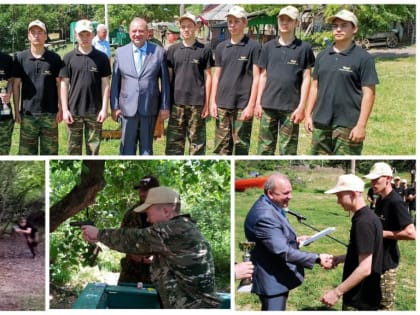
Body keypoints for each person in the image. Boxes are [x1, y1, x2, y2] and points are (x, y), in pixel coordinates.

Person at [81, 186, 221, 308]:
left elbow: (134, 239)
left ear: (166, 211)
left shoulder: (173, 230)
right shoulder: (182, 228)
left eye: (149, 214)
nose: (148, 220)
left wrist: (98, 233)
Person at [244, 173, 333, 310]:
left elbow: (273, 239)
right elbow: (282, 251)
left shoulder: (271, 204)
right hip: (272, 280)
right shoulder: (265, 216)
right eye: (285, 193)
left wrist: (296, 241)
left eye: (290, 192)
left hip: (276, 275)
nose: (290, 196)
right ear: (270, 193)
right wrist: (317, 258)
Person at [304, 9, 379, 155]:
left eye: (344, 25)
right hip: (321, 122)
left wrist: (361, 125)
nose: (338, 29)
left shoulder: (363, 58)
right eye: (335, 25)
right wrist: (308, 115)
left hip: (348, 124)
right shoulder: (322, 55)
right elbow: (314, 87)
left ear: (354, 29)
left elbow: (369, 94)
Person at [255, 6, 315, 155]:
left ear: (296, 23)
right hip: (268, 105)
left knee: (287, 151)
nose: (285, 22)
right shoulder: (268, 47)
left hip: (291, 108)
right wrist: (258, 102)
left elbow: (307, 79)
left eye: (289, 20)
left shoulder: (304, 48)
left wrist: (302, 107)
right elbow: (263, 76)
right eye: (282, 19)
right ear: (277, 21)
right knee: (264, 150)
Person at [321, 174, 383, 310]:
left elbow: (365, 268)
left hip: (360, 299)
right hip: (365, 296)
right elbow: (364, 254)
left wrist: (336, 293)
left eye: (339, 196)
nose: (338, 201)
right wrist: (340, 258)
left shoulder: (363, 222)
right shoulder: (366, 216)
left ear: (353, 194)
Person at [110, 17, 170, 155]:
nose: (137, 34)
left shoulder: (159, 52)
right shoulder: (120, 53)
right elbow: (115, 83)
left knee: (146, 150)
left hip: (149, 107)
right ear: (129, 32)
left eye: (141, 31)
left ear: (148, 32)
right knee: (126, 150)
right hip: (126, 109)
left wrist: (165, 107)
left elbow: (165, 83)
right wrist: (114, 107)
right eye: (134, 31)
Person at [364, 162, 416, 310]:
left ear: (388, 179)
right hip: (376, 260)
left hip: (386, 265)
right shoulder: (380, 199)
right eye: (371, 180)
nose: (372, 183)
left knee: (385, 307)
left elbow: (411, 233)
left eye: (376, 179)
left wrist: (381, 233)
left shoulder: (395, 201)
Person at [210, 5, 261, 155]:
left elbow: (257, 77)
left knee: (241, 146)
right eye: (230, 21)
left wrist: (251, 105)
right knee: (221, 148)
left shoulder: (254, 47)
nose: (232, 25)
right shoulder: (220, 47)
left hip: (242, 105)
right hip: (222, 103)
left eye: (236, 21)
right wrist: (213, 101)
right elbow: (216, 75)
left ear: (245, 23)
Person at [165, 13, 214, 155]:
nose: (186, 30)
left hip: (196, 104)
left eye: (189, 26)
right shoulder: (173, 50)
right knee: (174, 144)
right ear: (180, 29)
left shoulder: (204, 50)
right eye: (183, 27)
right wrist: (166, 103)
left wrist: (207, 103)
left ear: (196, 28)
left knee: (197, 144)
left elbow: (208, 77)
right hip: (176, 103)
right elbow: (168, 78)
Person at [60, 19, 111, 155]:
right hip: (74, 111)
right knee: (72, 151)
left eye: (87, 34)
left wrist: (104, 109)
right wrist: (65, 110)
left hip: (95, 112)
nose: (84, 38)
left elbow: (106, 84)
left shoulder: (102, 58)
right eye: (81, 35)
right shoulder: (68, 58)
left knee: (93, 151)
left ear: (93, 34)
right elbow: (64, 84)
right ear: (76, 35)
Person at [12, 19, 63, 155]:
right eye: (33, 32)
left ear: (46, 36)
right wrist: (17, 111)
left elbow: (60, 85)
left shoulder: (54, 58)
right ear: (28, 36)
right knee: (26, 156)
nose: (36, 35)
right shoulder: (20, 58)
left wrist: (61, 109)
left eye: (40, 32)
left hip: (50, 115)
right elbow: (16, 86)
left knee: (50, 154)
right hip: (28, 116)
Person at [118, 175, 159, 284]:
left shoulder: (165, 212)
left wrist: (156, 257)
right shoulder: (131, 213)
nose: (141, 193)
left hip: (157, 273)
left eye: (146, 190)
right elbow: (121, 237)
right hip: (131, 272)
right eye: (140, 190)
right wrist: (133, 254)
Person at [0, 51, 14, 155]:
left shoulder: (6, 58)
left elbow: (10, 80)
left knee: (4, 151)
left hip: (4, 113)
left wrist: (8, 94)